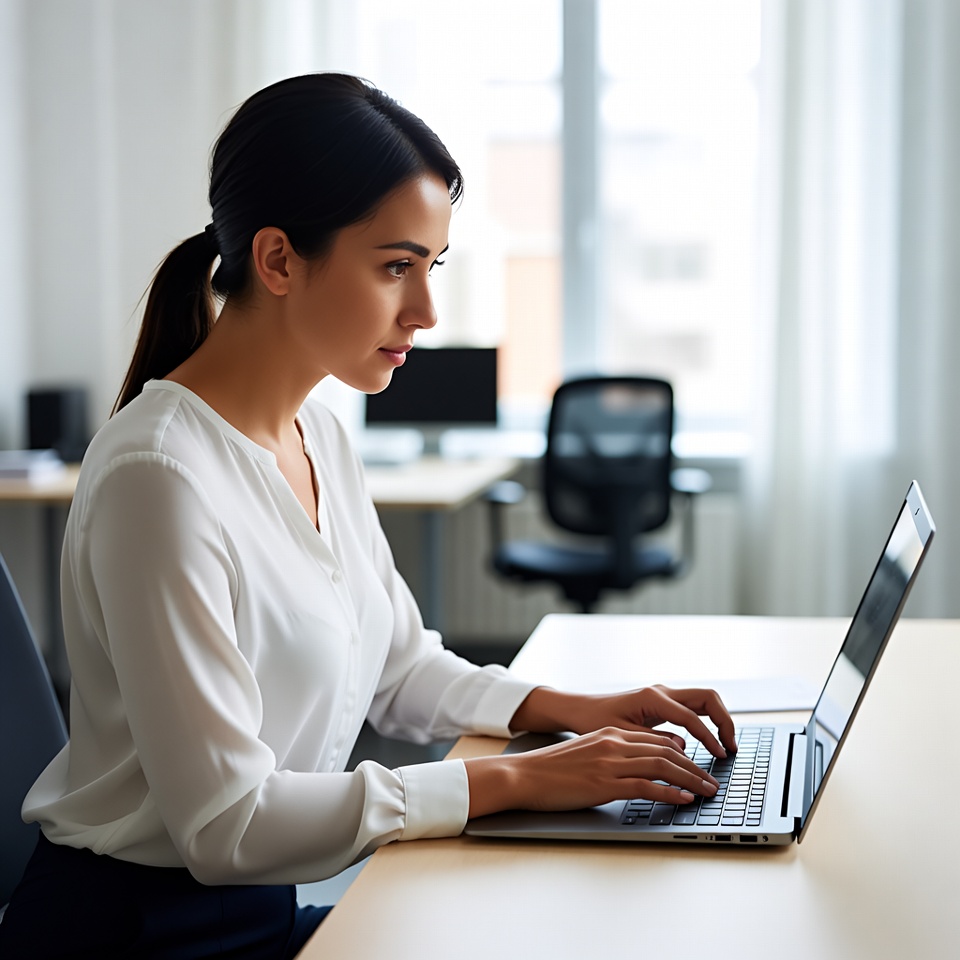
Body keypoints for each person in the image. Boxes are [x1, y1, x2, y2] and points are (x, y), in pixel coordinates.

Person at [0, 73, 736, 958]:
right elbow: (227, 823)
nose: (425, 312)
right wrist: (513, 781)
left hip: (249, 909)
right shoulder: (159, 476)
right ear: (277, 261)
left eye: (432, 268)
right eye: (396, 267)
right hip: (136, 934)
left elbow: (395, 666)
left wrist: (576, 708)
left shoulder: (317, 429)